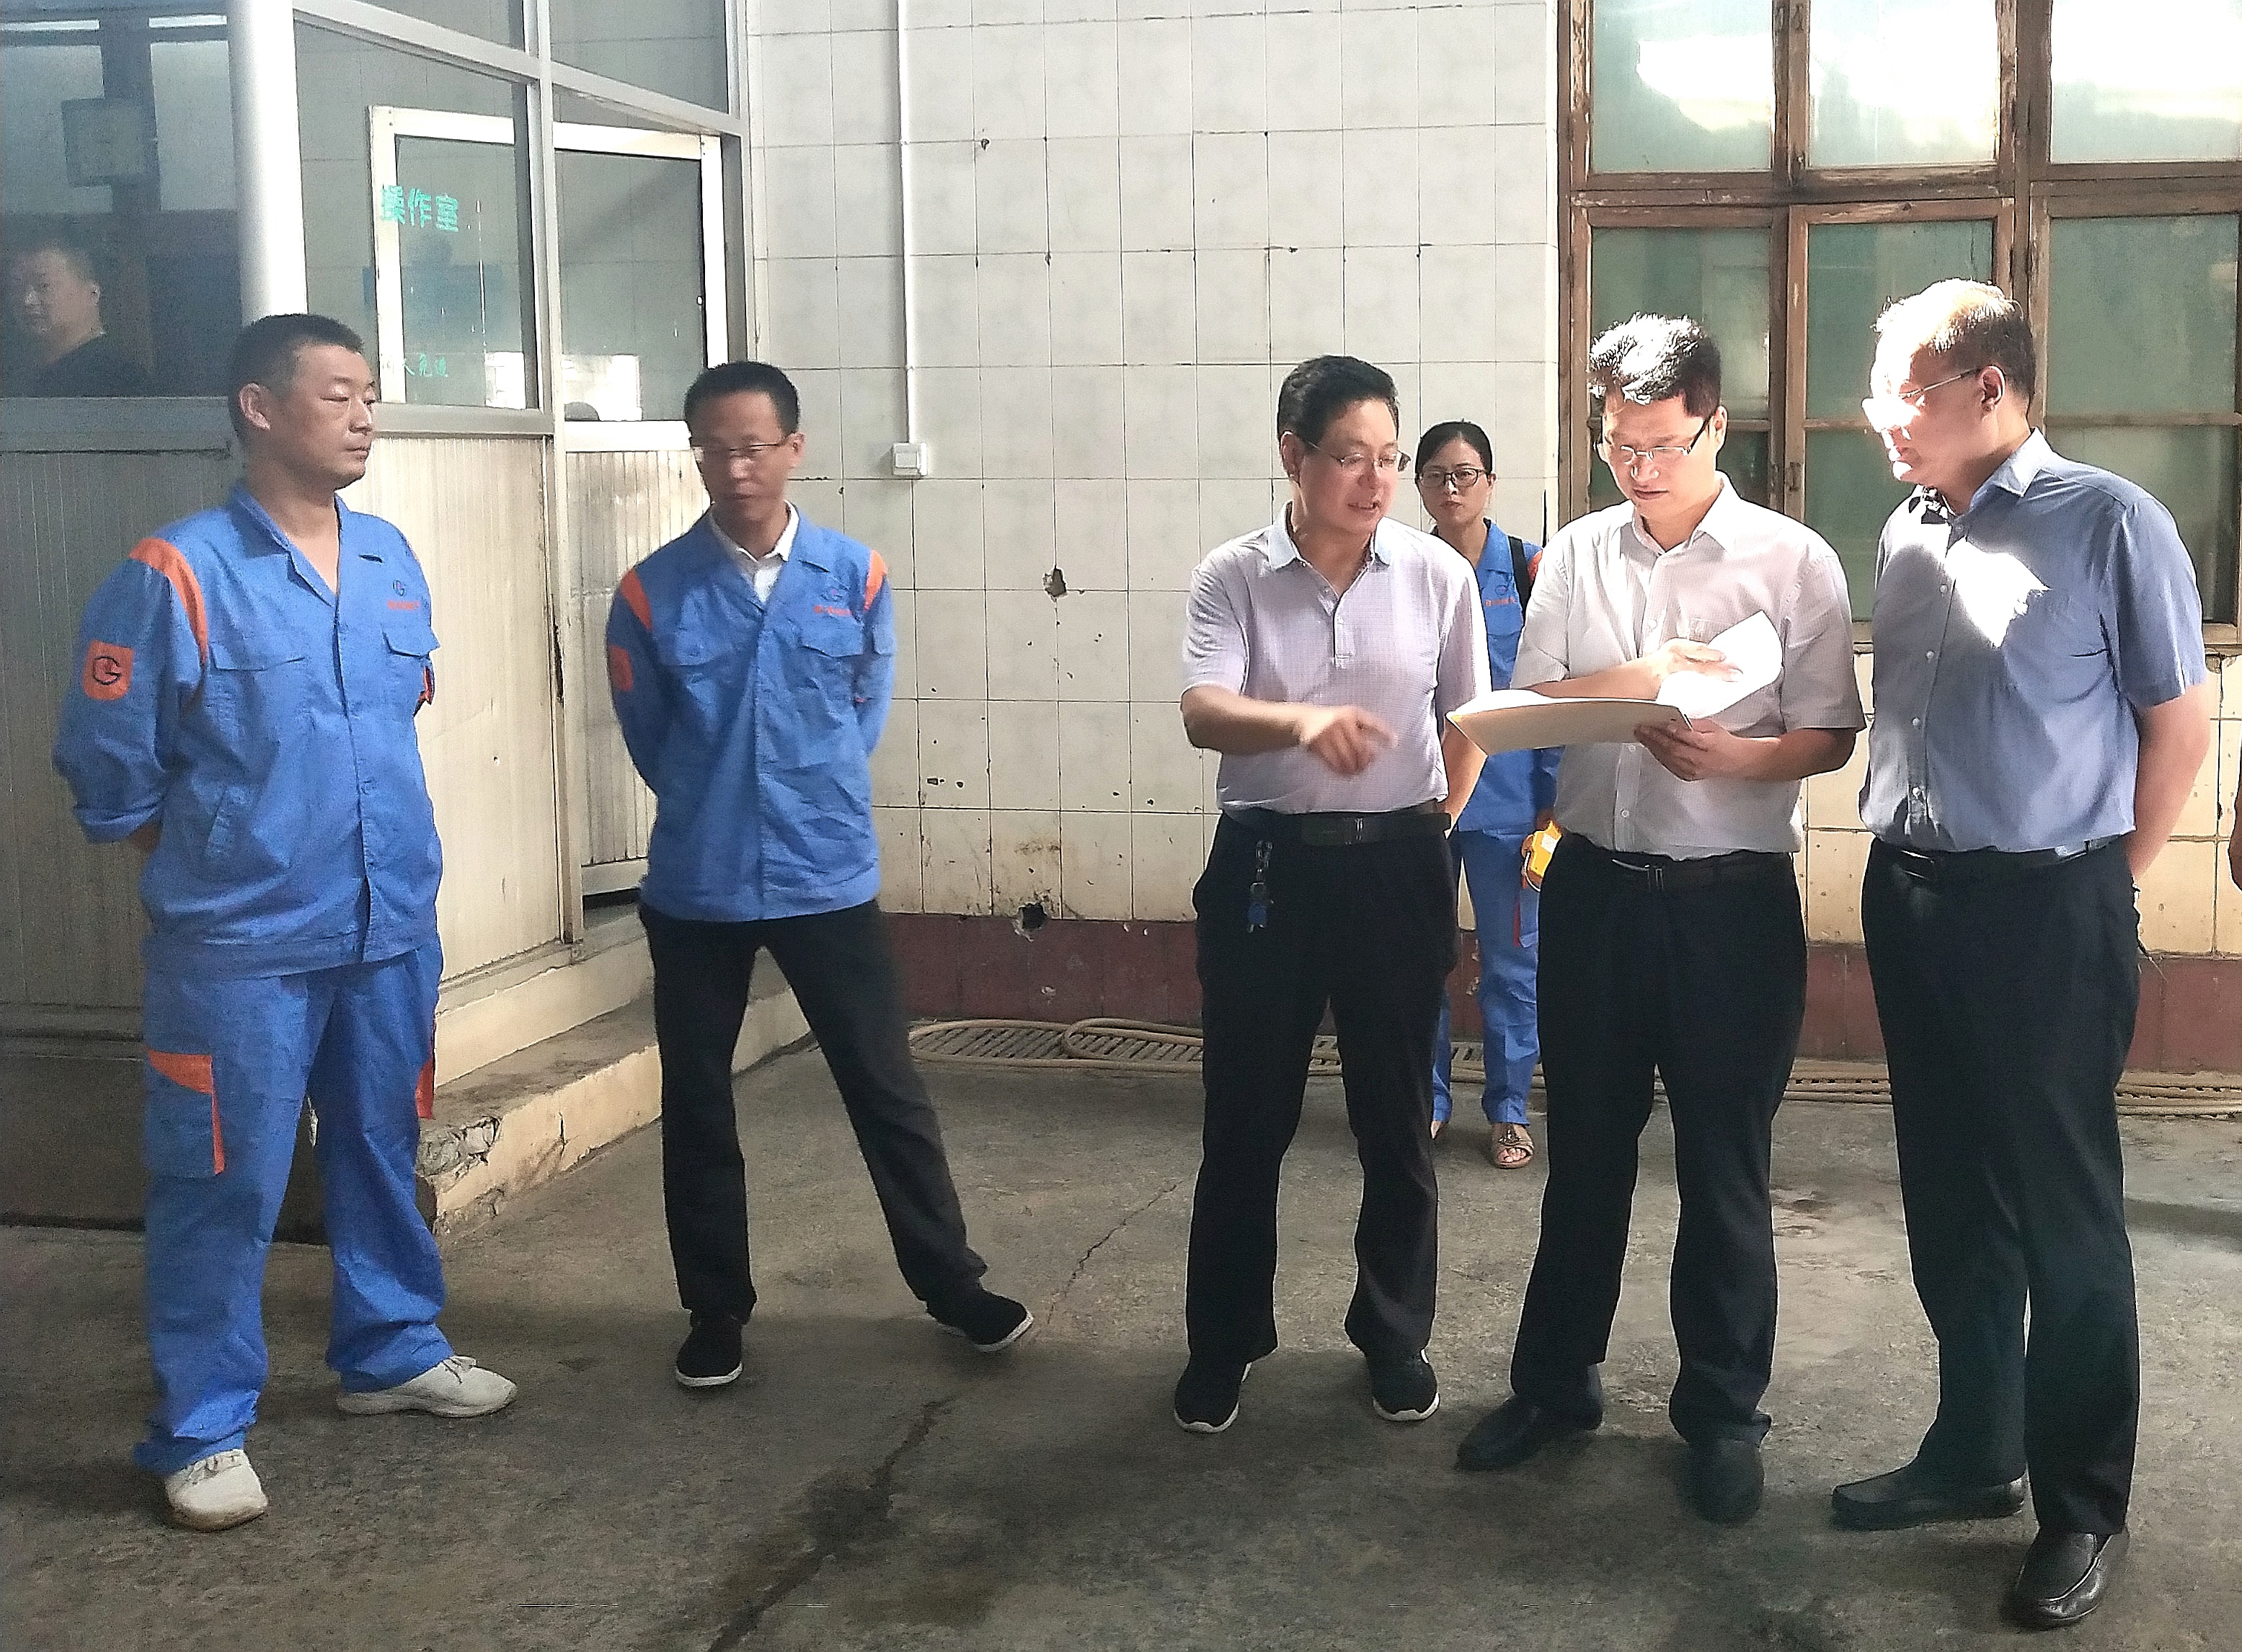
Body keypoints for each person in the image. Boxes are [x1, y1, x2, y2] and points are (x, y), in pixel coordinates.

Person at [51, 314, 515, 1535]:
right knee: (220, 1179)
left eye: (370, 394)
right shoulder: (177, 571)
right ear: (259, 408)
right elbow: (110, 765)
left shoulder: (389, 556)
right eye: (338, 393)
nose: (365, 416)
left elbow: (396, 713)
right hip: (238, 949)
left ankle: (390, 1349)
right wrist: (219, 864)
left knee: (380, 1144)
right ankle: (202, 1429)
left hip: (386, 926)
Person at [1836, 280, 2214, 1630]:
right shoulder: (1908, 526)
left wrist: (2105, 885)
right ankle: (1973, 1447)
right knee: (1949, 1198)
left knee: (2064, 1217)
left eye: (1904, 393)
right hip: (1914, 897)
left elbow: (2177, 723)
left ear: (1988, 388)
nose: (1877, 417)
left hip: (2048, 907)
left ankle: (2081, 1507)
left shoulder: (2109, 522)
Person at [1452, 315, 1864, 1525]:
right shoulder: (1578, 554)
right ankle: (1554, 1386)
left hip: (1729, 903)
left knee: (1724, 1167)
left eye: (1664, 445)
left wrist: (1741, 756)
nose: (1640, 469)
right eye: (1619, 446)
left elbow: (1830, 732)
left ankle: (1723, 1415)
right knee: (1585, 1156)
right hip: (1594, 890)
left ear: (1716, 426)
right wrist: (1629, 690)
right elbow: (1533, 700)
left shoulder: (1791, 561)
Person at [606, 360, 1031, 1390]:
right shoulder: (650, 592)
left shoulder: (855, 576)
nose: (734, 468)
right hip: (698, 885)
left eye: (754, 447)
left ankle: (952, 1284)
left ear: (794, 449)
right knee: (698, 1103)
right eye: (713, 449)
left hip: (825, 875)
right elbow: (649, 736)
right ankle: (714, 1310)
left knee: (885, 1087)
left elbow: (862, 713)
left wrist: (807, 792)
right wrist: (720, 799)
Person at [1172, 355, 1491, 1435]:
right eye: (1350, 457)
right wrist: (1300, 722)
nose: (1375, 481)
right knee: (1244, 1119)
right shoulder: (1233, 575)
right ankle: (1224, 1341)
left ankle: (1393, 1333)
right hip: (1266, 869)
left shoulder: (1434, 575)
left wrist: (1435, 822)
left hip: (1396, 868)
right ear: (1293, 455)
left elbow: (1470, 717)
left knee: (1394, 1119)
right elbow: (1204, 711)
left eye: (1388, 458)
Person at [1413, 419, 1559, 1169]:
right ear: (1418, 487)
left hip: (1510, 808)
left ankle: (1507, 1110)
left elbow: (1553, 693)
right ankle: (1428, 1103)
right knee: (1419, 962)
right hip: (1421, 808)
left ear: (1490, 483)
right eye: (1436, 475)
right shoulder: (1400, 571)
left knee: (1512, 966)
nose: (1451, 489)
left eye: (1465, 474)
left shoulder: (1531, 572)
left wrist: (1553, 802)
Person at [6, 235, 150, 396]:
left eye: (44, 286)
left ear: (92, 294)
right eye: (17, 287)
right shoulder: (16, 379)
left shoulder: (121, 380)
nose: (27, 300)